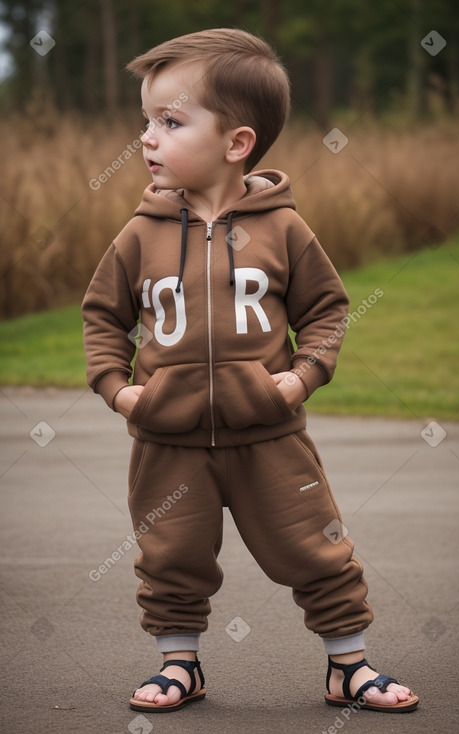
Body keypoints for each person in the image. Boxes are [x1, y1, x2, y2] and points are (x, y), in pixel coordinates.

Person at [82, 28, 419, 715]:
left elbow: (327, 310)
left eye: (169, 122)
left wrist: (299, 378)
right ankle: (180, 666)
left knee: (315, 548)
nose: (146, 138)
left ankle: (348, 666)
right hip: (167, 442)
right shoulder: (138, 234)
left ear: (236, 143)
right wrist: (121, 393)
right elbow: (100, 318)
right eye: (144, 121)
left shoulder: (284, 229)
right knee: (169, 557)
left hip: (268, 436)